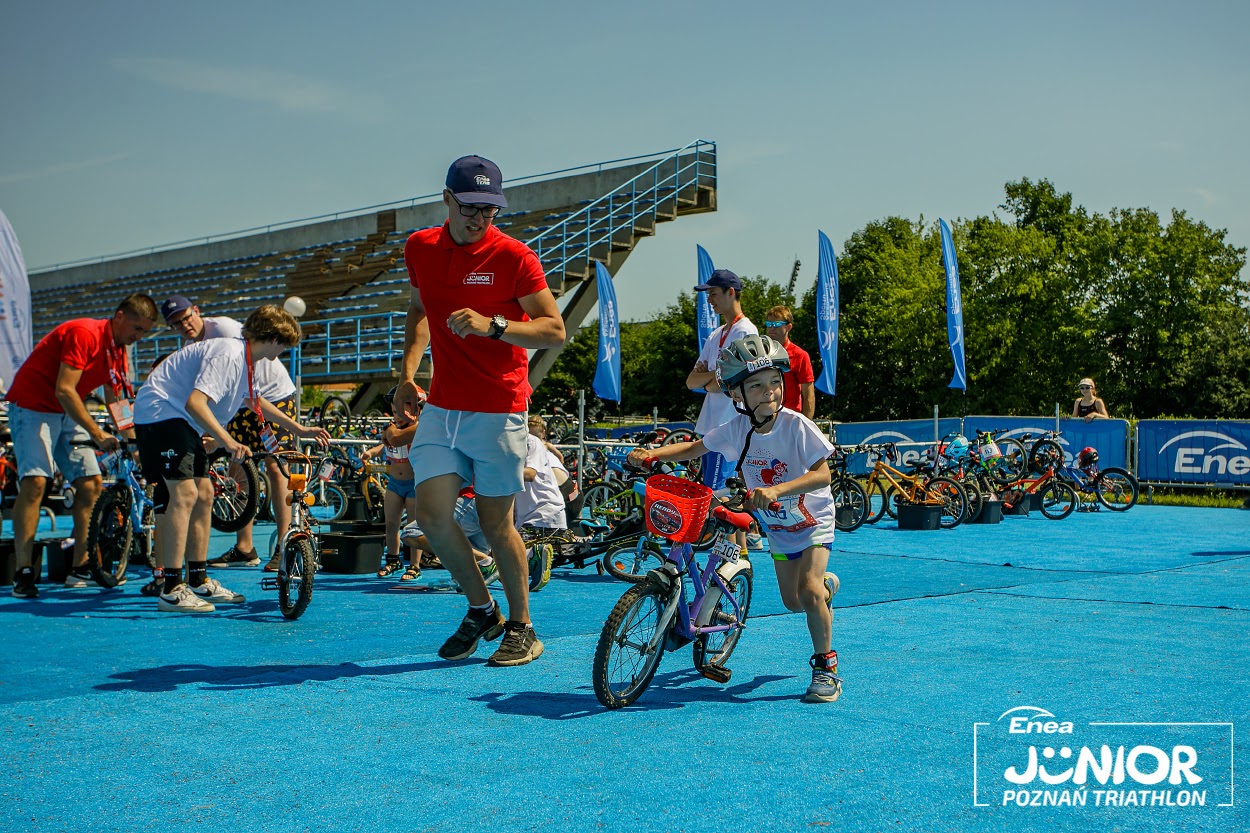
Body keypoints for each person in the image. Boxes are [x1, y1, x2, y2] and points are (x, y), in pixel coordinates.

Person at [391, 154, 566, 666]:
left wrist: (494, 325)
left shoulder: (516, 257)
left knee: (496, 524)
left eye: (490, 209)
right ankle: (480, 608)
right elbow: (420, 309)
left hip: (499, 408)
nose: (480, 218)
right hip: (443, 408)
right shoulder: (419, 247)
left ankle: (523, 627)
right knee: (432, 517)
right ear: (447, 199)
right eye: (470, 207)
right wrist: (407, 374)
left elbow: (553, 329)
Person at [628, 334, 844, 703]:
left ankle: (826, 668)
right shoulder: (736, 429)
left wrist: (776, 490)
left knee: (807, 592)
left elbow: (823, 475)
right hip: (779, 529)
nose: (770, 391)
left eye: (775, 382)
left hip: (813, 521)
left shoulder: (796, 425)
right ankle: (824, 589)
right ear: (736, 394)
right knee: (795, 602)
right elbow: (696, 447)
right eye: (757, 385)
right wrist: (652, 454)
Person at [133, 305, 321, 613]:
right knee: (185, 494)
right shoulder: (230, 354)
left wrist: (298, 428)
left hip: (178, 418)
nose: (284, 351)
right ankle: (171, 589)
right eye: (285, 344)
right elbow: (196, 403)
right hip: (162, 413)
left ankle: (198, 579)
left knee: (205, 493)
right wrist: (227, 440)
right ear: (274, 339)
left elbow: (254, 401)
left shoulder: (245, 360)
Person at [6, 295, 158, 599]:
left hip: (66, 410)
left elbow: (115, 397)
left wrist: (130, 438)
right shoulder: (84, 333)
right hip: (34, 406)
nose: (139, 337)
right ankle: (23, 571)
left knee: (90, 484)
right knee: (36, 481)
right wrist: (98, 433)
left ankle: (81, 566)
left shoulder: (118, 350)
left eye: (144, 332)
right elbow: (64, 389)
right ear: (119, 316)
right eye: (137, 328)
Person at [687, 269, 757, 491]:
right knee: (716, 492)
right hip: (711, 425)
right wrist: (716, 374)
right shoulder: (716, 334)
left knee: (719, 494)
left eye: (713, 293)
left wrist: (711, 379)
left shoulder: (745, 331)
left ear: (731, 293)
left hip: (728, 425)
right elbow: (691, 382)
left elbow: (725, 382)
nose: (709, 299)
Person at [362, 385, 423, 580]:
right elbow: (386, 444)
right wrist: (371, 452)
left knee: (413, 527)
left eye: (401, 412)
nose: (396, 416)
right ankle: (393, 559)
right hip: (395, 483)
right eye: (394, 411)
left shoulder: (417, 429)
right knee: (391, 523)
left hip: (414, 484)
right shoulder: (392, 430)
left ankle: (414, 565)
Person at [763, 305, 816, 419]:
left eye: (776, 324)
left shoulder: (800, 355)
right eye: (769, 324)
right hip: (765, 418)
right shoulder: (761, 353)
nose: (771, 328)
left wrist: (806, 425)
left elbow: (808, 396)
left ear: (789, 327)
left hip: (790, 419)